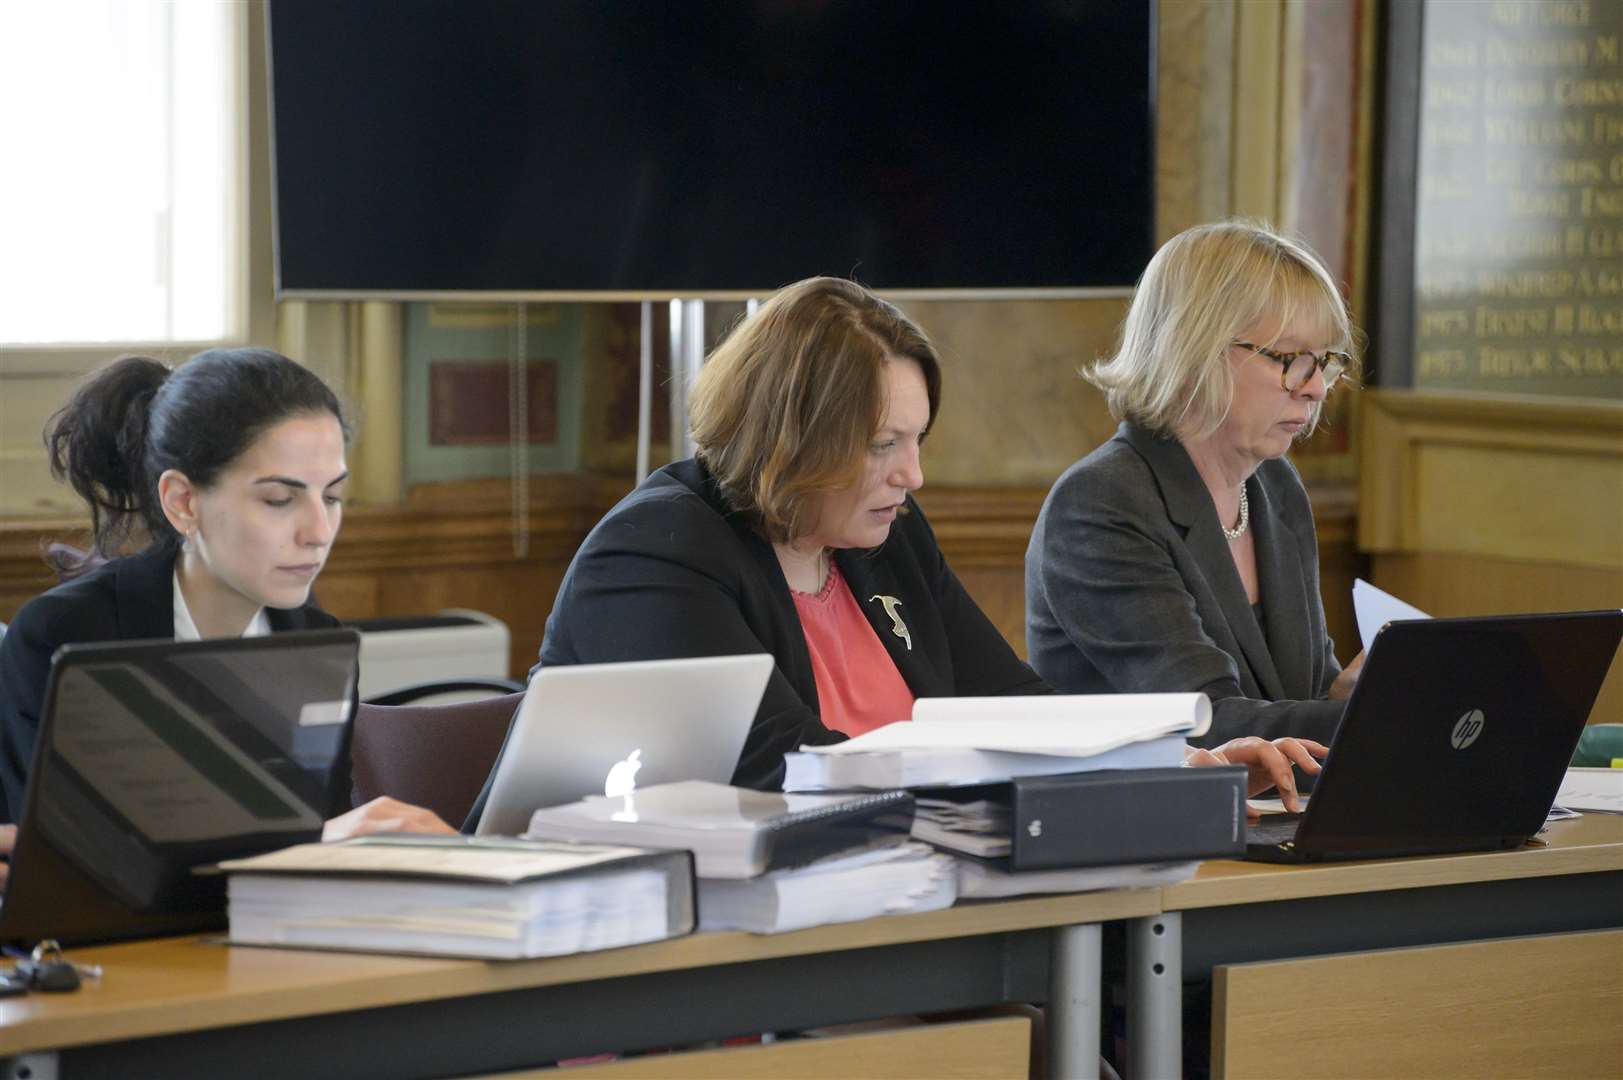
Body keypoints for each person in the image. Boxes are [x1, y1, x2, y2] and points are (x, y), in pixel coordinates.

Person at [465, 276, 1318, 831]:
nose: (911, 473)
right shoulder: (654, 555)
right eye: (880, 444)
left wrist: (1173, 763)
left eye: (916, 439)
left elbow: (1013, 705)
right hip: (650, 955)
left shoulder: (885, 538)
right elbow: (790, 772)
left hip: (881, 916)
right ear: (789, 439)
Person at [0, 348, 453, 851]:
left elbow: (321, 864)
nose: (319, 532)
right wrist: (309, 841)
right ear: (183, 502)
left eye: (331, 496)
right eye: (279, 500)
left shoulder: (315, 644)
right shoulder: (65, 635)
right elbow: (71, 862)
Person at [1026, 221, 1363, 750]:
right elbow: (1203, 722)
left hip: (1274, 818)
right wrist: (1388, 719)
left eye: (1323, 362)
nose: (1316, 388)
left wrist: (1348, 692)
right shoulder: (1102, 502)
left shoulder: (1274, 485)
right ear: (1195, 347)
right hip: (1144, 824)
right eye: (1289, 359)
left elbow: (1297, 695)